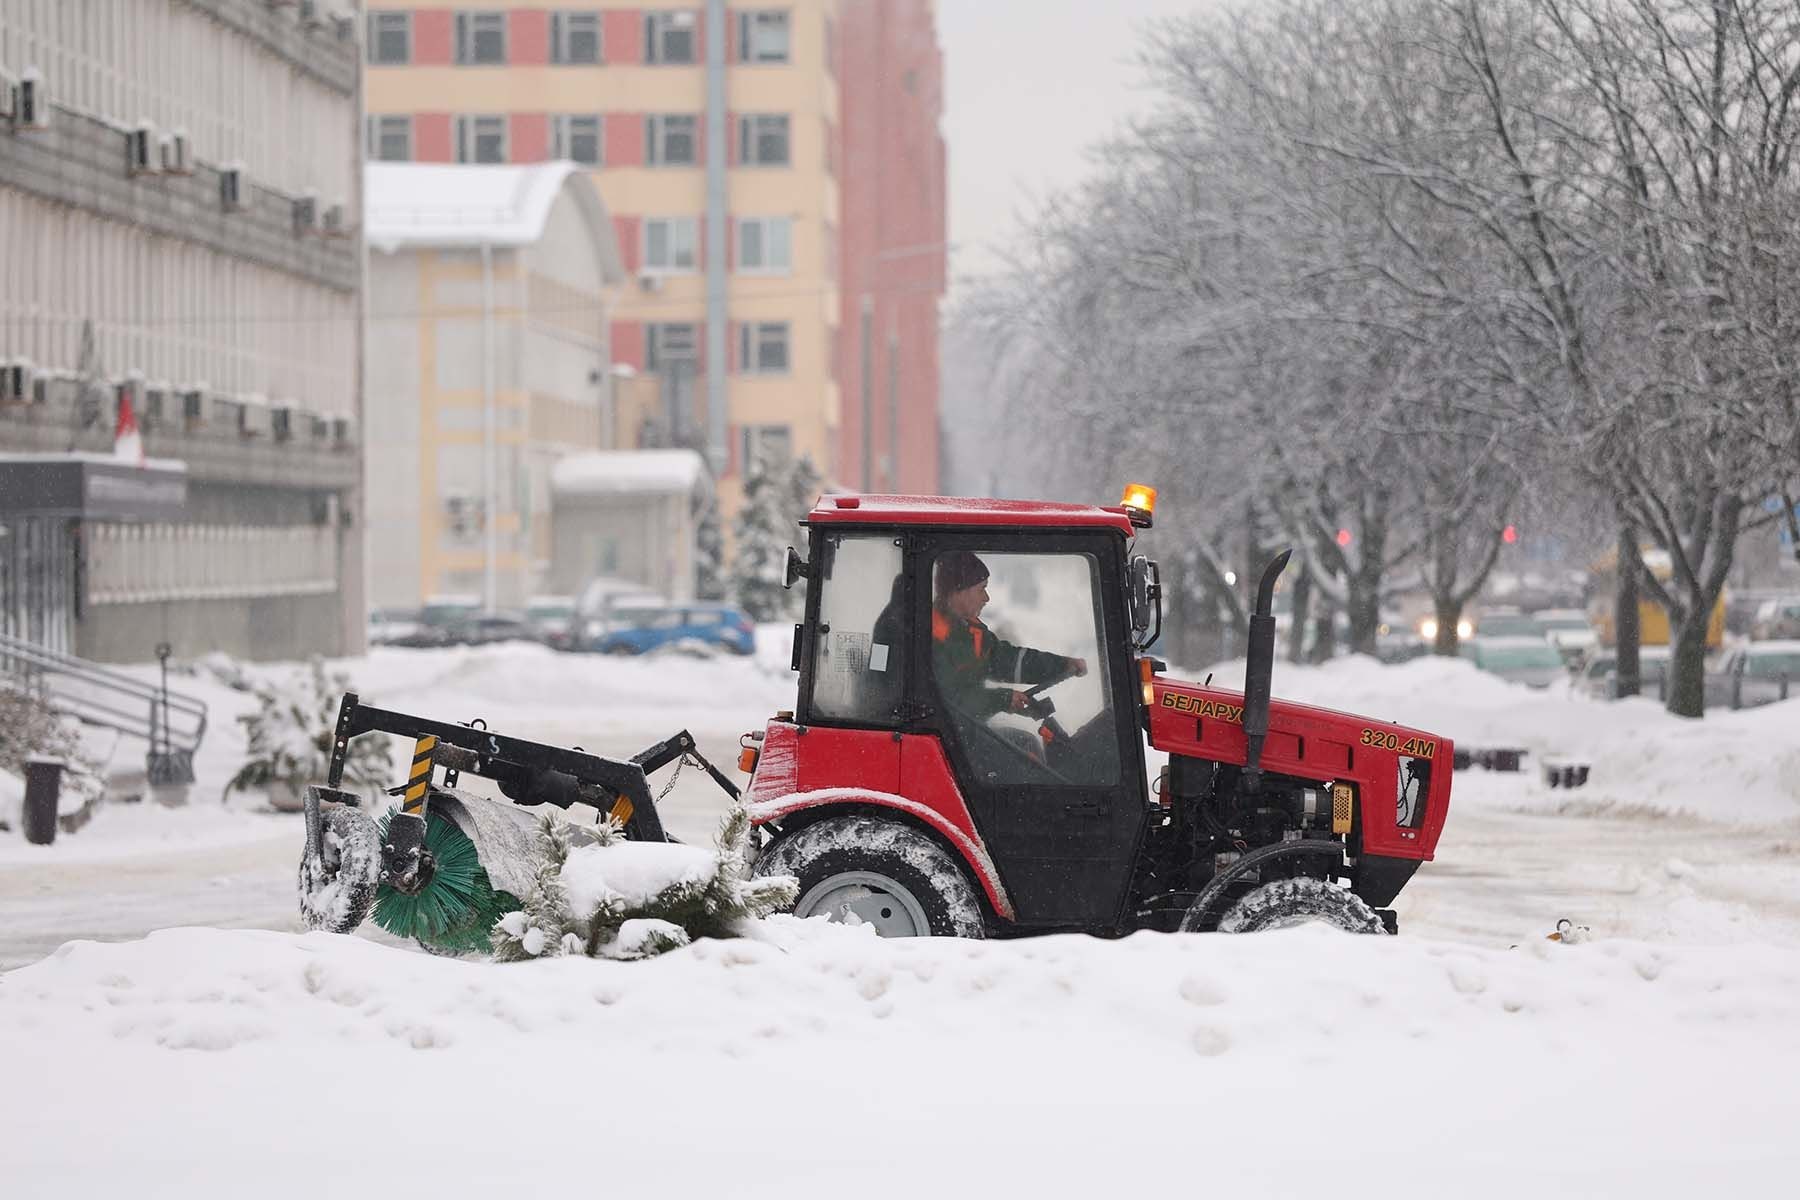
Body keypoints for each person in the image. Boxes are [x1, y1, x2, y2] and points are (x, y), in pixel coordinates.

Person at [930, 550, 1086, 723]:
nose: (986, 598)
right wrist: (1000, 700)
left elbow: (1007, 661)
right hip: (948, 731)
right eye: (981, 589)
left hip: (966, 728)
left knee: (1024, 739)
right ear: (958, 591)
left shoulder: (970, 630)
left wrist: (1061, 665)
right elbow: (945, 701)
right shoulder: (932, 638)